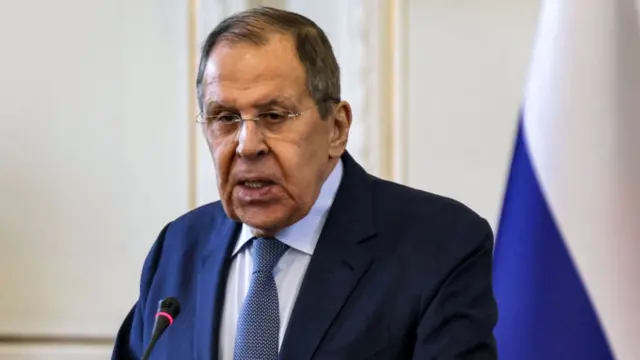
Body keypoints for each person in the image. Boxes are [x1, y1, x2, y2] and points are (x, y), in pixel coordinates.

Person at [111, 6, 497, 360]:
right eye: (225, 117)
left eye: (275, 115)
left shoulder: (439, 245)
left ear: (337, 128)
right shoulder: (178, 248)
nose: (247, 145)